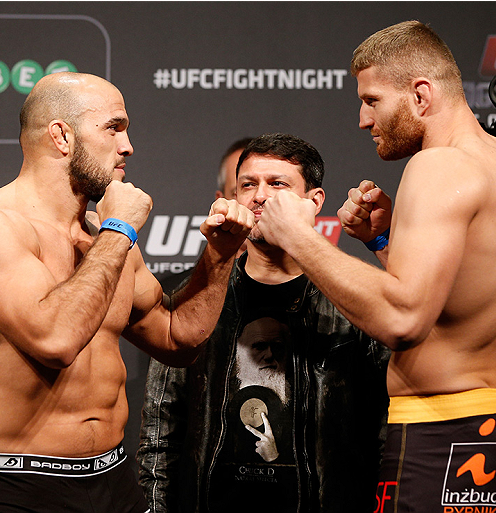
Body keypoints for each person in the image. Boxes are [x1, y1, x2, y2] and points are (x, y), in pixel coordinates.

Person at [255, 22, 496, 512]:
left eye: (372, 100)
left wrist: (298, 236)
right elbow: (468, 295)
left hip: (443, 434)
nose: (362, 118)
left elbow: (403, 320)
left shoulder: (437, 165)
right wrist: (383, 241)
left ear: (421, 94)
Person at [0, 72, 253, 513]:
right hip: (19, 486)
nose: (128, 146)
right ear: (62, 136)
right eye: (114, 127)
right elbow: (56, 339)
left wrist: (219, 256)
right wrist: (120, 229)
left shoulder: (101, 237)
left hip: (113, 482)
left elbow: (178, 340)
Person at [137, 133, 389, 513]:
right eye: (248, 185)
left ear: (314, 201)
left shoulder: (356, 301)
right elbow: (160, 431)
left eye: (278, 184)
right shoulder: (197, 301)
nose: (260, 196)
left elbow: (389, 429)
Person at [158, 137, 252, 294]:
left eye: (274, 185)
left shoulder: (308, 283)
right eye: (243, 189)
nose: (256, 200)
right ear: (220, 201)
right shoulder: (172, 295)